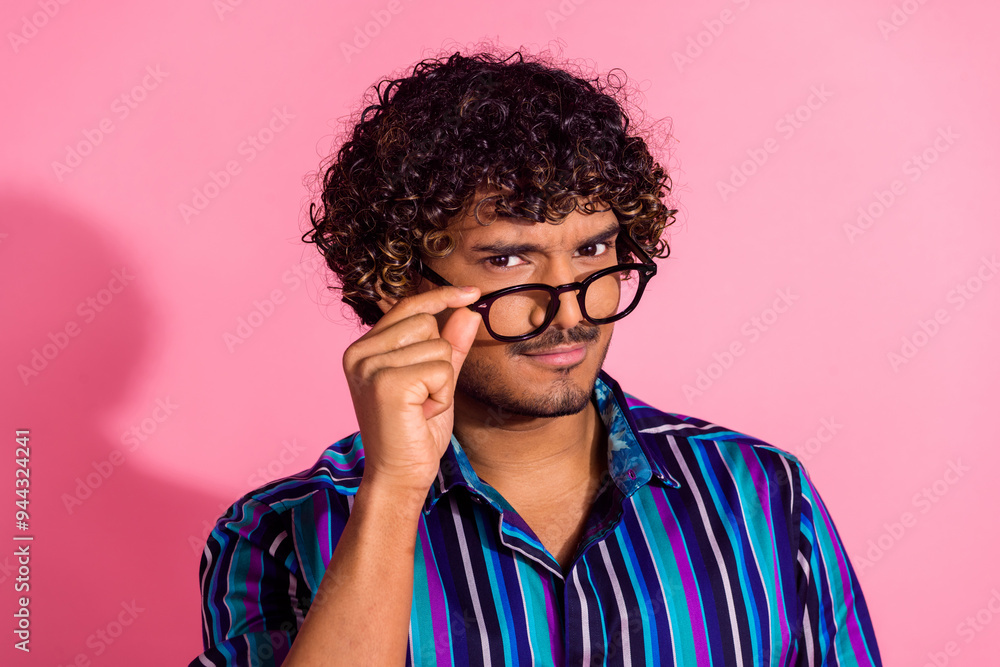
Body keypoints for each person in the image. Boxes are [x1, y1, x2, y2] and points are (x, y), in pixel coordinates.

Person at [190, 49, 882, 666]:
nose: (571, 310)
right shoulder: (279, 534)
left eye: (592, 251)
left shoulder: (760, 494)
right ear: (398, 280)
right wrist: (395, 492)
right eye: (509, 259)